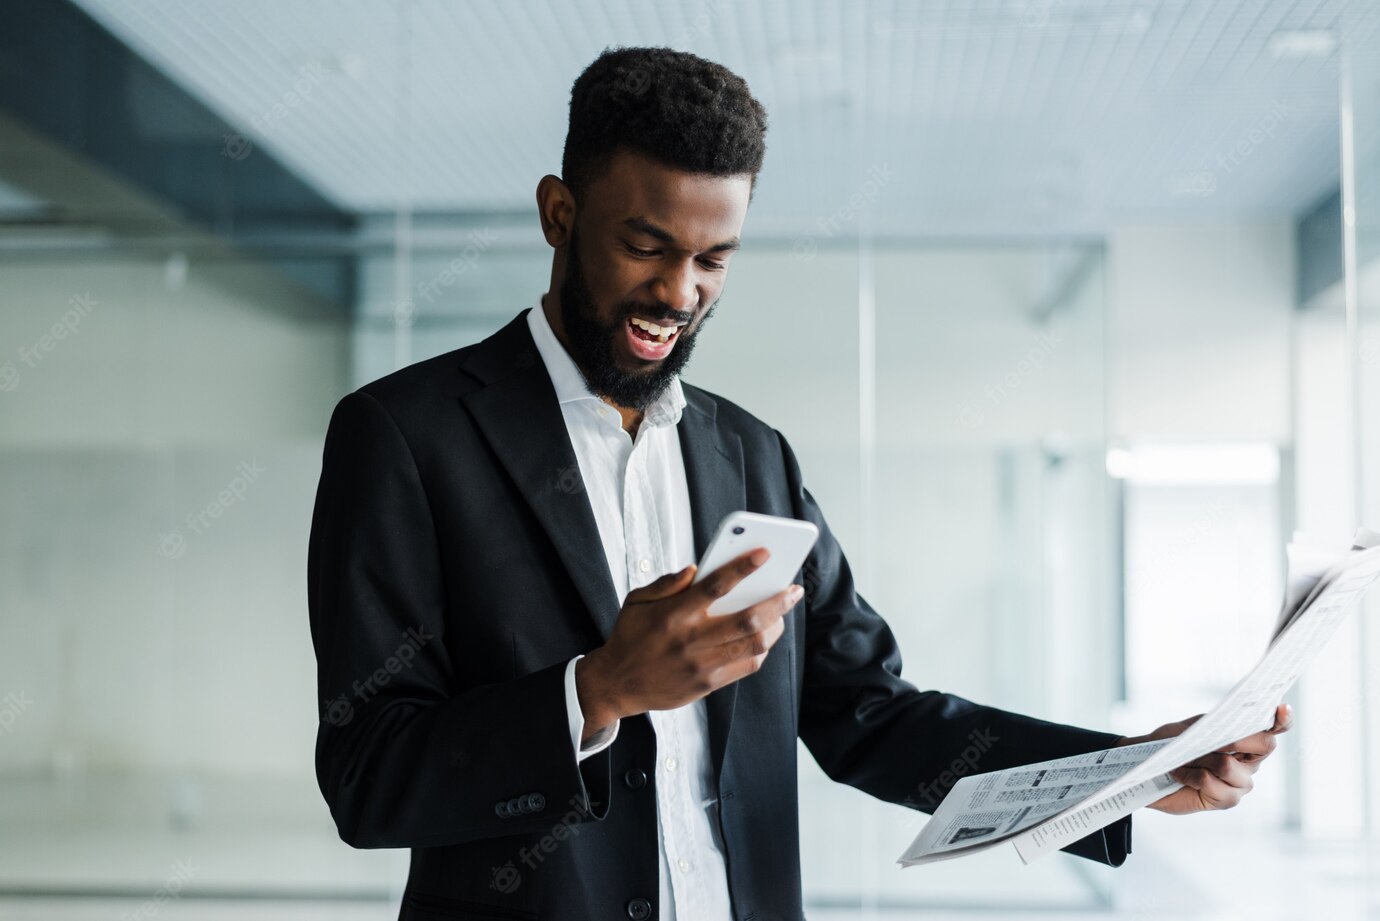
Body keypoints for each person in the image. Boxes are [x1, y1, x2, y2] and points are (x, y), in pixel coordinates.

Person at [307, 45, 1291, 921]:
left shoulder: (753, 455)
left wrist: (1127, 775)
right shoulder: (406, 437)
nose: (680, 294)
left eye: (713, 259)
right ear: (558, 214)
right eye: (645, 245)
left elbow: (875, 715)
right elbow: (368, 776)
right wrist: (597, 691)